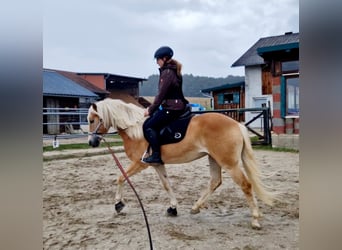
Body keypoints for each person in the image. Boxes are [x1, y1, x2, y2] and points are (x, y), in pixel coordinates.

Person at [142, 46, 189, 164]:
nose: (157, 63)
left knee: (148, 126)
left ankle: (156, 156)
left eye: (158, 60)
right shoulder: (172, 70)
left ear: (164, 58)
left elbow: (161, 95)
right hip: (175, 106)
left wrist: (151, 110)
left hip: (173, 108)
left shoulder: (167, 72)